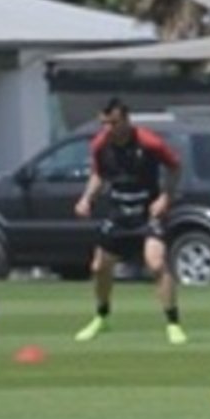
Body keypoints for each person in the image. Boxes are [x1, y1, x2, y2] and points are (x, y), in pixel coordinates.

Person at [73, 98, 188, 345]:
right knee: (99, 267)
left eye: (113, 123)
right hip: (118, 213)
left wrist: (166, 197)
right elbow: (98, 175)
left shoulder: (148, 142)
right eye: (104, 123)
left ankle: (173, 323)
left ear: (126, 120)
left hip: (147, 213)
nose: (108, 128)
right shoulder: (100, 145)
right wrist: (86, 199)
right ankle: (102, 318)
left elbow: (175, 167)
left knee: (156, 264)